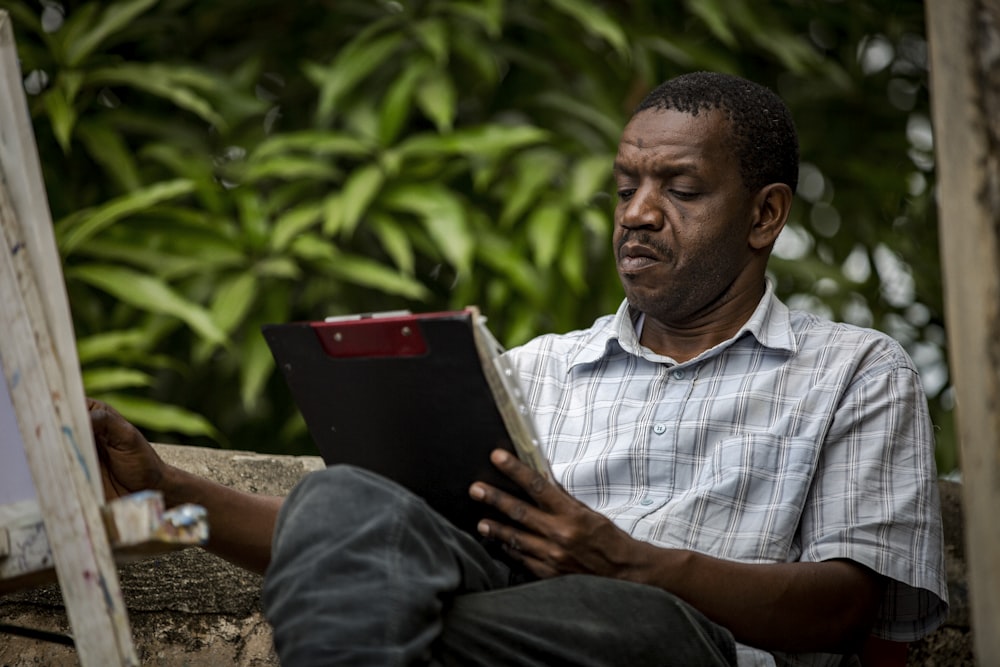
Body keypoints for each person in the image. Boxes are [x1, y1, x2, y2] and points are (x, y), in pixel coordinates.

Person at [89, 71, 948, 666]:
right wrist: (164, 491)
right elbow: (348, 542)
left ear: (765, 214)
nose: (638, 215)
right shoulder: (533, 370)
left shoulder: (855, 372)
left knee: (609, 614)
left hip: (674, 638)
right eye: (624, 188)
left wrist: (626, 562)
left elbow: (849, 606)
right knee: (342, 499)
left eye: (680, 189)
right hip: (486, 623)